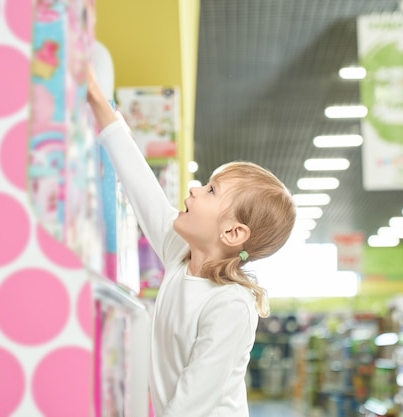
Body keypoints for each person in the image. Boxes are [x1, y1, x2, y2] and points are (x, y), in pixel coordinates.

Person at [87, 68, 296, 417]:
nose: (195, 189)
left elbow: (191, 403)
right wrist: (96, 98)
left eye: (211, 190)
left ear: (232, 233)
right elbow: (141, 184)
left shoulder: (230, 305)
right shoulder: (179, 255)